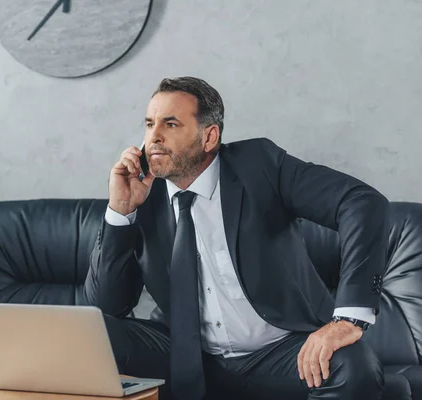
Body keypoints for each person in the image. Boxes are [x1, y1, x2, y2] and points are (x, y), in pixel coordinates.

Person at [84, 76, 388, 400]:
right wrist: (121, 211)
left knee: (353, 366)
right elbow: (107, 306)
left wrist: (347, 319)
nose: (154, 137)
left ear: (209, 136)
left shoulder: (260, 166)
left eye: (170, 124)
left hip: (281, 355)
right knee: (91, 339)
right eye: (149, 124)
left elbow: (361, 202)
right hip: (183, 356)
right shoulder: (143, 192)